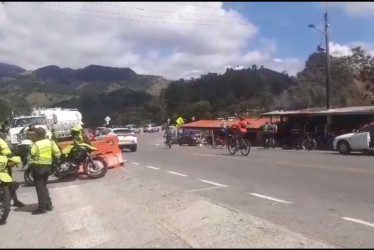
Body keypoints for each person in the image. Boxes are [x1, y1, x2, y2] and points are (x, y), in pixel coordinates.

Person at [29, 127, 61, 214]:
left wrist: (31, 165)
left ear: (37, 135)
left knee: (40, 188)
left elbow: (31, 156)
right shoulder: (50, 142)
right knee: (43, 186)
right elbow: (57, 153)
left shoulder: (35, 145)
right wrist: (53, 161)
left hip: (38, 168)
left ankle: (42, 208)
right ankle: (49, 205)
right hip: (48, 167)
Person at [0, 136, 25, 207]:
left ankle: (15, 200)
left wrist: (9, 158)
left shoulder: (1, 141)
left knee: (9, 182)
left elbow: (6, 150)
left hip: (2, 163)